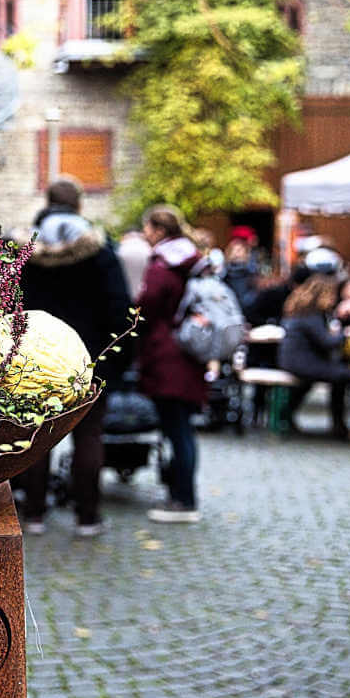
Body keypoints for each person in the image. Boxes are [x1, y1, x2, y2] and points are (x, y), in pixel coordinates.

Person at [17, 177, 133, 537]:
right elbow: (119, 306)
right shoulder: (99, 251)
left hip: (34, 358)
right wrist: (119, 358)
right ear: (79, 205)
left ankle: (33, 514)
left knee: (39, 434)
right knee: (89, 435)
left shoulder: (25, 251)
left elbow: (9, 301)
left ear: (47, 202)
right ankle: (87, 517)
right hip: (91, 355)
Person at [136, 205, 206, 523]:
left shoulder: (163, 265)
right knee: (183, 430)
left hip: (167, 357)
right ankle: (182, 495)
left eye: (148, 229)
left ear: (160, 231)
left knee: (177, 430)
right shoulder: (191, 261)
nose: (145, 235)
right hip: (187, 354)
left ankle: (183, 501)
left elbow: (145, 308)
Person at [278, 274, 350, 447]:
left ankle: (337, 425)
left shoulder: (301, 312)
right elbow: (328, 342)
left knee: (338, 378)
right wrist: (344, 333)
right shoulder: (312, 315)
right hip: (304, 363)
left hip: (293, 361)